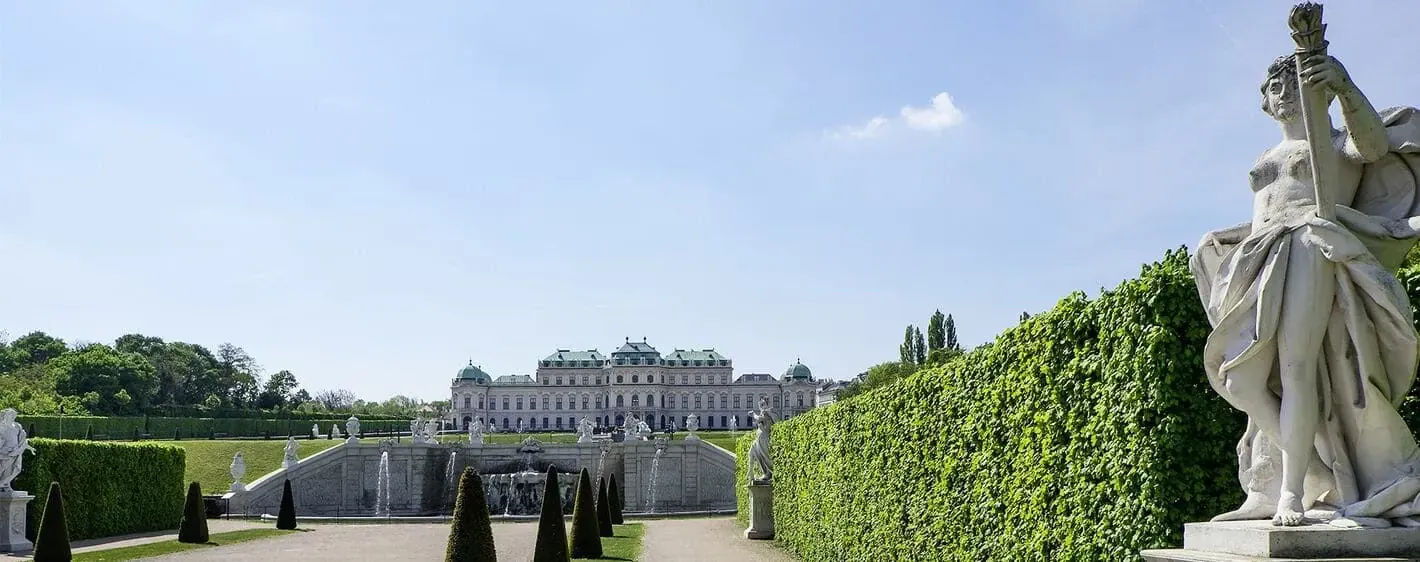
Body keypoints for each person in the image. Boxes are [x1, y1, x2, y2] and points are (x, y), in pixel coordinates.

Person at [1193, 51, 1420, 526]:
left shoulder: (1333, 142)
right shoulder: (1265, 156)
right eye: (1275, 87)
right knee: (1240, 378)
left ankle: (1290, 494)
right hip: (1259, 253)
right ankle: (1312, 470)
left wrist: (1344, 86)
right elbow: (1267, 211)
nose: (1283, 93)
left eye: (1292, 83)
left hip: (1309, 242)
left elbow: (1373, 148)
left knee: (1295, 367)